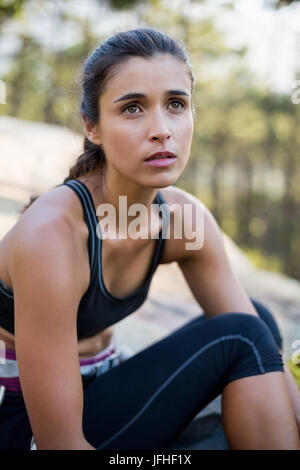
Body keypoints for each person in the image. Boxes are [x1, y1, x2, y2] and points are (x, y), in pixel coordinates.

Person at [0, 28, 299, 451]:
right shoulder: (53, 236)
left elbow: (253, 328)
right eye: (133, 108)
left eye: (176, 104)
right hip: (25, 426)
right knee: (242, 337)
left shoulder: (182, 218)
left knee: (259, 321)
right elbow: (60, 443)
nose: (161, 129)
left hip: (103, 394)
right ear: (93, 127)